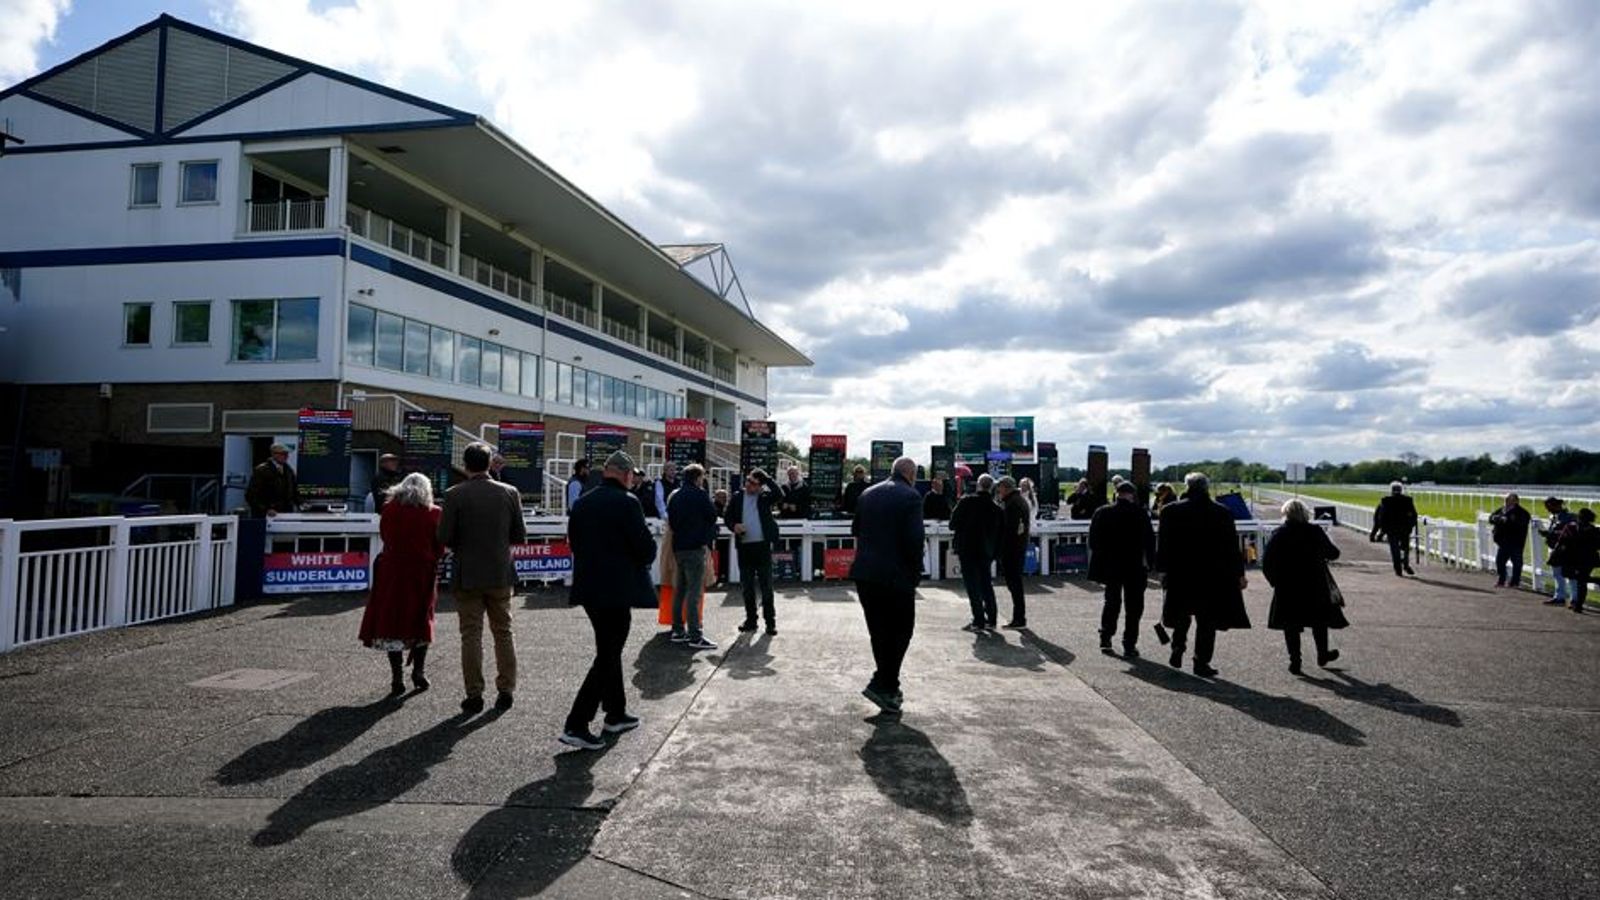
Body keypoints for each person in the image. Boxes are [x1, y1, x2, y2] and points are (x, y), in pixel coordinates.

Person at [561, 450, 652, 750]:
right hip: (617, 589)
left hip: (588, 588)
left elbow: (573, 541)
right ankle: (577, 723)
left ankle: (615, 712)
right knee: (608, 654)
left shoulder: (582, 502)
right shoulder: (628, 502)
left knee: (607, 649)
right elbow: (645, 549)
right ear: (625, 474)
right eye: (632, 475)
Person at [438, 442, 526, 714]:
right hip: (500, 571)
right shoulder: (509, 492)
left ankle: (474, 693)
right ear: (490, 464)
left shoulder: (454, 495)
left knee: (470, 635)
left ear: (465, 465)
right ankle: (506, 689)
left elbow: (444, 538)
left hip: (468, 574)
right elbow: (519, 536)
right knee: (503, 631)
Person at [850, 456, 925, 714]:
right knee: (902, 631)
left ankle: (885, 685)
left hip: (865, 573)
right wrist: (915, 574)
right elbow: (915, 540)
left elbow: (856, 531)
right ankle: (885, 683)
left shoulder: (867, 494)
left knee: (879, 632)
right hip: (896, 575)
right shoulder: (911, 497)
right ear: (911, 474)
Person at [1156, 472, 1249, 678]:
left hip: (1180, 572)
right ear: (1206, 488)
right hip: (1212, 574)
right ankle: (1201, 662)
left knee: (1181, 613)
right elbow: (1232, 548)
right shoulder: (1222, 512)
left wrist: (1162, 570)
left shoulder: (1170, 511)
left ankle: (1178, 646)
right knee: (1207, 621)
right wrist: (1239, 574)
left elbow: (1163, 544)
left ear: (1187, 486)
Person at [359, 473, 442, 694]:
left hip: (392, 571)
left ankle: (397, 678)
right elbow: (439, 545)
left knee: (393, 621)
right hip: (422, 572)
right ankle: (419, 672)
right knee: (421, 619)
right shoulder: (433, 513)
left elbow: (385, 536)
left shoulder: (390, 510)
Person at [1263, 499, 1347, 674]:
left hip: (1287, 585)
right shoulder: (1314, 531)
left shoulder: (1279, 533)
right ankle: (1322, 654)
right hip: (1315, 583)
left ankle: (1295, 660)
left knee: (1290, 624)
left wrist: (1275, 581)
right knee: (1319, 621)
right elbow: (1333, 553)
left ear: (1286, 514)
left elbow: (1267, 562)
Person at [1089, 481, 1155, 657]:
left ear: (1116, 493)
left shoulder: (1102, 512)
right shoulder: (1140, 514)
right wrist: (1152, 564)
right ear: (1132, 494)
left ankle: (1106, 637)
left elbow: (1093, 542)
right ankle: (1129, 643)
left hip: (1111, 566)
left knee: (1111, 602)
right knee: (1134, 607)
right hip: (1134, 566)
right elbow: (1149, 542)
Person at [724, 468, 781, 637]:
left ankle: (770, 623)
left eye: (754, 483)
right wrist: (734, 526)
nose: (749, 484)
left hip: (762, 547)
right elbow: (727, 517)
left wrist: (767, 477)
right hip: (745, 547)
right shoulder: (737, 497)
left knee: (766, 587)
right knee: (747, 587)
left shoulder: (764, 498)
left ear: (760, 486)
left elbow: (779, 494)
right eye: (748, 480)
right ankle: (751, 620)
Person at [666, 463, 718, 646]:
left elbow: (671, 522)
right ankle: (695, 635)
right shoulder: (700, 495)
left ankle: (678, 630)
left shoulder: (676, 496)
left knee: (679, 591)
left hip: (678, 546)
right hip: (695, 547)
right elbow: (712, 516)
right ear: (698, 478)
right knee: (694, 593)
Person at [950, 473, 1001, 631]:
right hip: (986, 551)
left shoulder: (966, 501)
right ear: (992, 488)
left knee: (972, 586)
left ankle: (978, 620)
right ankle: (991, 619)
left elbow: (953, 524)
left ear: (978, 485)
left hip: (967, 549)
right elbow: (1000, 534)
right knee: (986, 584)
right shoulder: (996, 509)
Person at [995, 476, 1031, 628]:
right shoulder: (1019, 500)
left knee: (1014, 584)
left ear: (1006, 487)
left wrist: (1001, 548)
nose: (998, 490)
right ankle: (1019, 617)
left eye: (1000, 487)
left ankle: (1019, 618)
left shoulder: (1012, 504)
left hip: (1012, 550)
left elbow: (1010, 529)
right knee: (1015, 584)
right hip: (1019, 547)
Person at [1552, 508, 1597, 613]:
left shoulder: (1572, 527)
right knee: (1581, 580)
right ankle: (1578, 603)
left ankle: (1578, 605)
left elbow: (1562, 541)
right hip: (1585, 559)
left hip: (1579, 558)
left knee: (1581, 581)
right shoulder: (1592, 529)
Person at [1370, 482, 1418, 576]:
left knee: (1395, 550)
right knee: (1405, 549)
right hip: (1404, 529)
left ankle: (1398, 569)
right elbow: (1414, 515)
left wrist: (1378, 532)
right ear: (1401, 490)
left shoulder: (1385, 501)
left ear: (1391, 490)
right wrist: (1410, 526)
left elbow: (1380, 518)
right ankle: (1405, 564)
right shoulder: (1408, 500)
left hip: (1391, 530)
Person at [1488, 492, 1532, 589]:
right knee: (1499, 561)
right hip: (1503, 542)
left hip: (1516, 542)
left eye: (1509, 500)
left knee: (1517, 563)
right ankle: (1501, 580)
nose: (1506, 501)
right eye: (1506, 499)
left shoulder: (1522, 512)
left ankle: (1515, 582)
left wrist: (1507, 521)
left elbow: (1520, 524)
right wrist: (1496, 518)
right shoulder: (1502, 510)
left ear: (1516, 501)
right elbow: (1491, 518)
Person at [1540, 497, 1578, 606]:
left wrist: (1552, 534)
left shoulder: (1569, 517)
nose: (1547, 509)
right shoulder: (1553, 517)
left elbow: (1569, 533)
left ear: (1556, 505)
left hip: (1565, 550)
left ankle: (1574, 599)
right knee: (1557, 574)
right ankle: (1559, 597)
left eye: (1549, 506)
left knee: (1570, 574)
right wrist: (1547, 533)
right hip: (1554, 548)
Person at [245, 443, 299, 518]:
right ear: (274, 454)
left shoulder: (289, 471)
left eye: (287, 454)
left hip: (285, 514)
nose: (286, 456)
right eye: (283, 454)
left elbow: (293, 491)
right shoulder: (262, 470)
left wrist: (301, 503)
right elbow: (251, 495)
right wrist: (266, 509)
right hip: (266, 515)